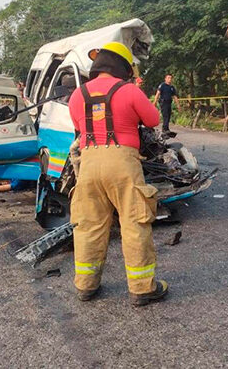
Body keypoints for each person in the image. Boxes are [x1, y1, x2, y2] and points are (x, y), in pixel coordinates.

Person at [67, 41, 167, 306]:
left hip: (88, 164)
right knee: (134, 223)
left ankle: (86, 285)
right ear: (123, 66)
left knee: (89, 225)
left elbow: (79, 126)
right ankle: (142, 288)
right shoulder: (129, 91)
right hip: (122, 162)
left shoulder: (78, 95)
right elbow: (153, 120)